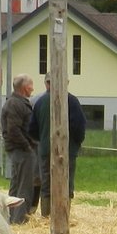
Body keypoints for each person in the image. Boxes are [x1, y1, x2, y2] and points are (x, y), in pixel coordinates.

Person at [28, 77, 86, 217]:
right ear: (65, 83)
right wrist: (75, 144)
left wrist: (43, 141)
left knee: (46, 184)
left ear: (48, 83)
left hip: (45, 150)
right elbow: (79, 127)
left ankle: (46, 216)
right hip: (67, 151)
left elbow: (31, 129)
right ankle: (63, 215)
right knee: (66, 183)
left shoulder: (40, 102)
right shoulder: (72, 101)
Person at [0, 74, 37, 224]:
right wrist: (27, 146)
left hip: (18, 149)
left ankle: (10, 218)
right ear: (23, 88)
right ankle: (19, 219)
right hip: (21, 150)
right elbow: (13, 130)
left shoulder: (16, 102)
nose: (33, 88)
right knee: (24, 185)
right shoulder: (15, 104)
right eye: (30, 85)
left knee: (16, 185)